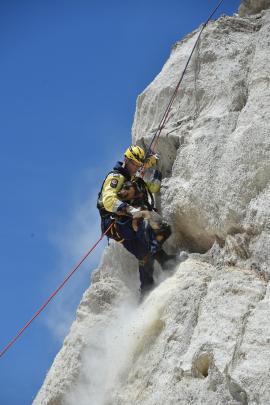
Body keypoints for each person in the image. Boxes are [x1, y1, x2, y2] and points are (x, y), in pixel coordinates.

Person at [97, 145, 177, 295]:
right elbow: (108, 200)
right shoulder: (116, 177)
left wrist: (152, 160)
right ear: (126, 160)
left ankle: (146, 290)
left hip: (124, 223)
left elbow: (146, 176)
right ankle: (166, 262)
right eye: (134, 164)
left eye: (138, 165)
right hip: (115, 222)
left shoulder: (133, 177)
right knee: (148, 225)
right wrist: (131, 210)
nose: (136, 168)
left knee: (144, 253)